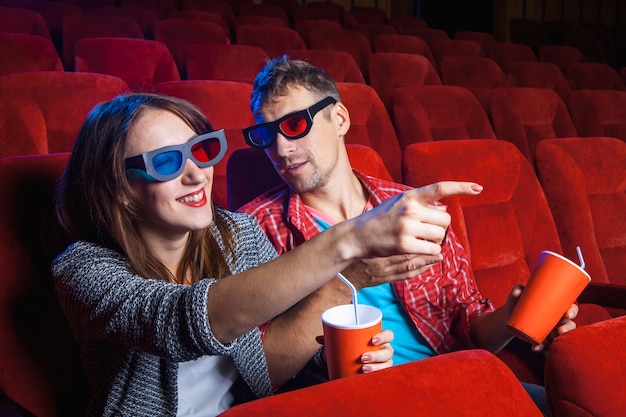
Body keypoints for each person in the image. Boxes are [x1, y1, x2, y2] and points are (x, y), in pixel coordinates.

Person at [50, 93, 480, 416]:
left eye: (201, 150)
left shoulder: (237, 234)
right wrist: (349, 240)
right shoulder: (82, 268)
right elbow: (182, 323)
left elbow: (269, 359)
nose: (197, 174)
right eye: (165, 162)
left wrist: (348, 351)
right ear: (120, 190)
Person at [239, 56, 578, 413]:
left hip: (454, 377)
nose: (281, 149)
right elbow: (259, 374)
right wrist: (348, 280)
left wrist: (512, 315)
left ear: (338, 119)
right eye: (265, 134)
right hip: (362, 400)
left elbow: (468, 327)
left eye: (294, 125)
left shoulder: (410, 207)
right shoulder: (254, 229)